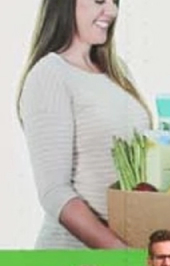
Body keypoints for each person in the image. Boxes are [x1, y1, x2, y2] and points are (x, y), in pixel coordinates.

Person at [18, 0, 150, 248]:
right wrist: (120, 252)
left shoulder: (118, 70)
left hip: (125, 257)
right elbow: (55, 193)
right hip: (72, 256)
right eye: (100, 0)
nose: (112, 11)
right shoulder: (50, 74)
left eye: (115, 2)